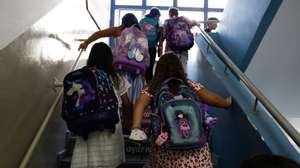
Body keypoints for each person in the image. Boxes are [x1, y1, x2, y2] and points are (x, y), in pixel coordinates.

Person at [130, 53, 232, 168]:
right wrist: (227, 103)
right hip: (196, 155)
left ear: (158, 69)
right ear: (180, 68)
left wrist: (136, 127)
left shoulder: (153, 87)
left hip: (167, 153)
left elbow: (139, 104)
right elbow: (216, 101)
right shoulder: (190, 85)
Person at [71, 42, 132, 168]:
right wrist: (127, 121)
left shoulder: (83, 76)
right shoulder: (116, 77)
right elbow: (127, 103)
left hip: (88, 125)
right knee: (111, 161)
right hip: (110, 125)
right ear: (109, 58)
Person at [78, 13, 146, 105]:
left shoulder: (119, 30)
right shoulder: (133, 32)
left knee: (123, 96)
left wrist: (86, 42)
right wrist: (86, 42)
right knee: (126, 97)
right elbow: (99, 34)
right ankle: (127, 114)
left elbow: (99, 34)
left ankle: (122, 112)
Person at [158, 7, 199, 71]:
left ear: (169, 14)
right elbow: (195, 24)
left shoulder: (167, 22)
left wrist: (160, 45)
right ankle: (182, 80)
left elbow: (164, 35)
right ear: (177, 13)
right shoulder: (184, 20)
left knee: (171, 70)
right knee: (183, 70)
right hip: (184, 49)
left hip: (171, 50)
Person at [140, 7, 162, 83]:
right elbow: (159, 35)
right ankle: (149, 85)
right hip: (152, 47)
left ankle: (141, 86)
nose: (158, 18)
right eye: (158, 16)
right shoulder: (157, 22)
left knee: (142, 66)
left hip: (142, 48)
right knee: (150, 66)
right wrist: (157, 42)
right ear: (156, 15)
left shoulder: (142, 21)